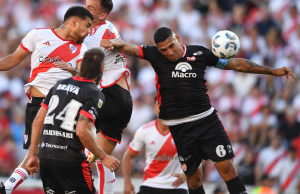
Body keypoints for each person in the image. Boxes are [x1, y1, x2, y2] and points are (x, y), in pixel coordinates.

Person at [100, 27, 296, 194]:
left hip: (207, 121)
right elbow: (130, 48)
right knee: (194, 181)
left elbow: (235, 64)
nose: (169, 52)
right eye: (164, 50)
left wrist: (272, 71)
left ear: (176, 37)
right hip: (180, 128)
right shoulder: (155, 55)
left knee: (227, 169)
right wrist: (113, 43)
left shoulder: (200, 53)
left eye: (171, 46)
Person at [0, 5, 94, 194]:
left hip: (61, 108)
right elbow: (15, 58)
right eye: (87, 25)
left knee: (45, 152)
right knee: (38, 153)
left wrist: (72, 70)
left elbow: (85, 79)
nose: (88, 31)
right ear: (74, 21)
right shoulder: (38, 35)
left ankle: (6, 188)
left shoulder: (82, 49)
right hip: (36, 104)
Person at [56, 0, 133, 194]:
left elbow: (85, 60)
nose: (85, 10)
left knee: (74, 148)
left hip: (109, 95)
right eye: (86, 5)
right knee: (101, 161)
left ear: (102, 15)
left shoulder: (97, 33)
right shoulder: (107, 28)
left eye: (91, 8)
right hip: (122, 101)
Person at [26, 48, 120, 194]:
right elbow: (82, 130)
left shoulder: (58, 85)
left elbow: (38, 120)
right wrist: (104, 156)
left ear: (81, 66)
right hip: (71, 160)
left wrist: (33, 154)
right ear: (102, 69)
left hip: (46, 158)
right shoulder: (94, 93)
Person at [122, 99, 188, 194]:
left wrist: (187, 175)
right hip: (150, 184)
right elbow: (128, 156)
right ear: (155, 109)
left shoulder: (184, 132)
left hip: (177, 186)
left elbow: (199, 157)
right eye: (160, 104)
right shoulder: (145, 130)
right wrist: (127, 183)